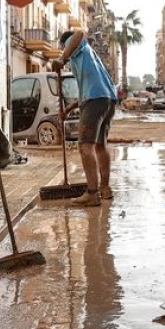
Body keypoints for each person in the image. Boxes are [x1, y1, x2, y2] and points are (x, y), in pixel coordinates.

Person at [51, 29, 117, 207]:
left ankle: (92, 194)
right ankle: (105, 189)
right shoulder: (86, 59)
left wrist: (62, 58)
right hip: (107, 99)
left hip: (96, 99)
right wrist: (67, 109)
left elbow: (79, 33)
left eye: (64, 47)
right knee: (100, 145)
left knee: (84, 146)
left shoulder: (79, 45)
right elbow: (83, 93)